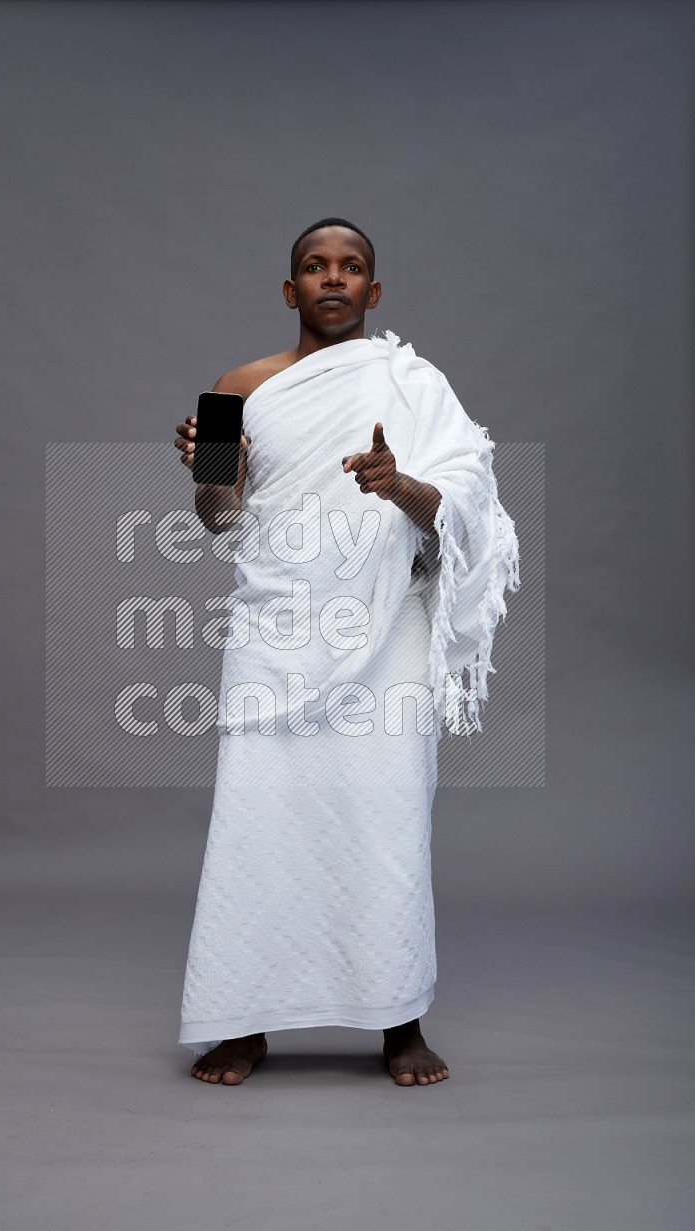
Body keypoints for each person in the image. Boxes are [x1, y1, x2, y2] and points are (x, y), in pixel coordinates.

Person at [173, 217, 519, 1086]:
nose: (334, 278)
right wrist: (213, 469)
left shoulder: (412, 384)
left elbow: (468, 503)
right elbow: (219, 520)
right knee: (259, 821)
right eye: (315, 267)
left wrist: (396, 481)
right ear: (291, 290)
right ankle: (244, 1023)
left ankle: (399, 1020)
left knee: (387, 815)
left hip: (384, 636)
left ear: (374, 290)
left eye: (352, 266)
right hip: (275, 629)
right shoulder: (234, 389)